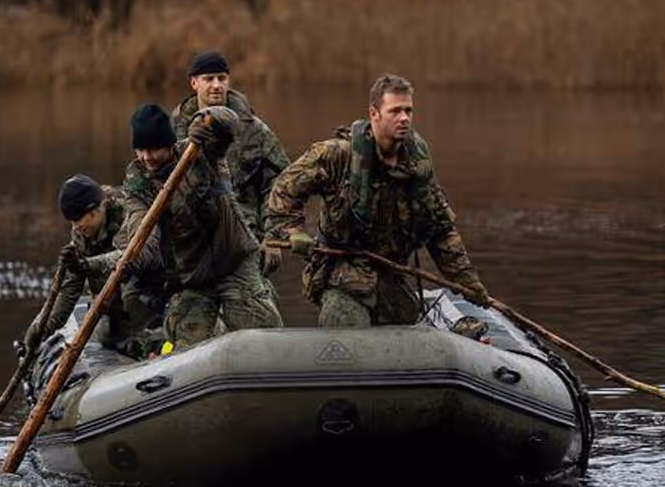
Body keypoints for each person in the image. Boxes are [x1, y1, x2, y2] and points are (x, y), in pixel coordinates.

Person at [265, 73, 491, 327]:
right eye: (395, 111)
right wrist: (293, 231)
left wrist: (466, 280)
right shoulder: (337, 155)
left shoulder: (418, 168)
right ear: (374, 113)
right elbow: (284, 190)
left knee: (406, 332)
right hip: (342, 273)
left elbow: (440, 230)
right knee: (344, 324)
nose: (404, 118)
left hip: (391, 276)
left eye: (408, 110)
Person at [123, 103, 283, 350]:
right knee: (186, 342)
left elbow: (229, 120)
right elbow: (140, 226)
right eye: (140, 150)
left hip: (233, 262)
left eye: (153, 149)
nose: (146, 157)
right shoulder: (138, 182)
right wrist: (133, 260)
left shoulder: (201, 151)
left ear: (168, 144)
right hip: (192, 276)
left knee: (262, 335)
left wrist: (205, 118)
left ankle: (256, 300)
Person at [171, 51, 291, 276]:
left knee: (260, 309)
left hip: (244, 242)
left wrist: (274, 236)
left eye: (222, 78)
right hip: (192, 245)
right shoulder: (174, 130)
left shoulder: (254, 129)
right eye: (209, 79)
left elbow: (281, 182)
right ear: (194, 83)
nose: (216, 85)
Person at [21, 174, 165, 359]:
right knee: (105, 334)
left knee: (132, 298)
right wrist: (39, 329)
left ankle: (161, 341)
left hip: (151, 288)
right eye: (72, 222)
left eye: (79, 220)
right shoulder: (81, 236)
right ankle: (141, 347)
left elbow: (130, 257)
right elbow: (68, 291)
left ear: (96, 210)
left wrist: (86, 265)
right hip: (115, 298)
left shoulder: (129, 214)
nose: (76, 227)